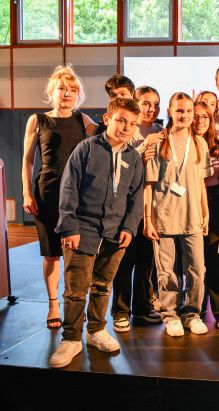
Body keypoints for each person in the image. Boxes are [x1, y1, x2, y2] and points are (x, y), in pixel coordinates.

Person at [49, 97, 144, 368]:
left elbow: (136, 198)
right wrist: (70, 226)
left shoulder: (134, 158)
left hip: (115, 234)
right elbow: (68, 188)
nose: (126, 128)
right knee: (76, 290)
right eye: (121, 120)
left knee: (103, 286)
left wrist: (129, 227)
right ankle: (71, 338)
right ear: (107, 119)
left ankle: (96, 331)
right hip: (82, 230)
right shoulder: (86, 149)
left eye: (132, 124)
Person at [21, 65, 97, 329]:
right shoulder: (37, 120)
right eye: (62, 88)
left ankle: (74, 304)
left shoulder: (82, 120)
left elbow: (107, 135)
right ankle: (53, 304)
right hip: (48, 189)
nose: (67, 93)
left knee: (77, 254)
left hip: (78, 191)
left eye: (72, 89)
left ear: (78, 94)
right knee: (51, 253)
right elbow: (28, 159)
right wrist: (26, 192)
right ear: (51, 92)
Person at [144, 92, 209, 337]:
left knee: (197, 270)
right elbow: (149, 185)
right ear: (170, 111)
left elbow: (201, 183)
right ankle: (170, 315)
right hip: (164, 216)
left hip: (192, 217)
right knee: (166, 272)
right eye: (180, 110)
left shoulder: (199, 143)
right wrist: (148, 220)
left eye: (189, 111)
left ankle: (192, 314)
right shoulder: (158, 142)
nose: (185, 115)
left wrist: (206, 213)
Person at [110, 86, 164, 333]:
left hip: (152, 207)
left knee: (146, 262)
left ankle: (142, 308)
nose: (151, 108)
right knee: (125, 261)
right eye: (146, 103)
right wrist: (143, 147)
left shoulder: (162, 131)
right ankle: (121, 311)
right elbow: (118, 166)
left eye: (156, 104)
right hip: (127, 206)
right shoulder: (125, 131)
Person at [192, 101, 219, 329]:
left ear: (211, 120)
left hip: (215, 203)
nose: (199, 121)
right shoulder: (181, 143)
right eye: (195, 116)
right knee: (193, 260)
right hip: (188, 203)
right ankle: (194, 309)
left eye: (205, 117)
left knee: (215, 258)